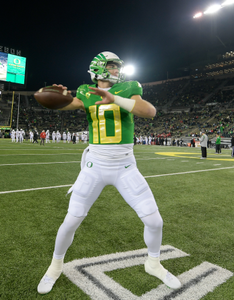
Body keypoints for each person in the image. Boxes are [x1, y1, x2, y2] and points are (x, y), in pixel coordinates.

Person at [37, 51, 181, 294]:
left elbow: (149, 111)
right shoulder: (85, 91)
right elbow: (65, 105)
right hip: (94, 166)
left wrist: (113, 97)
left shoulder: (128, 87)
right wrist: (57, 95)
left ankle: (153, 263)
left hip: (125, 166)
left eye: (117, 66)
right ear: (100, 68)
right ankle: (55, 265)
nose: (117, 70)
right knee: (71, 221)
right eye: (113, 66)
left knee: (154, 221)